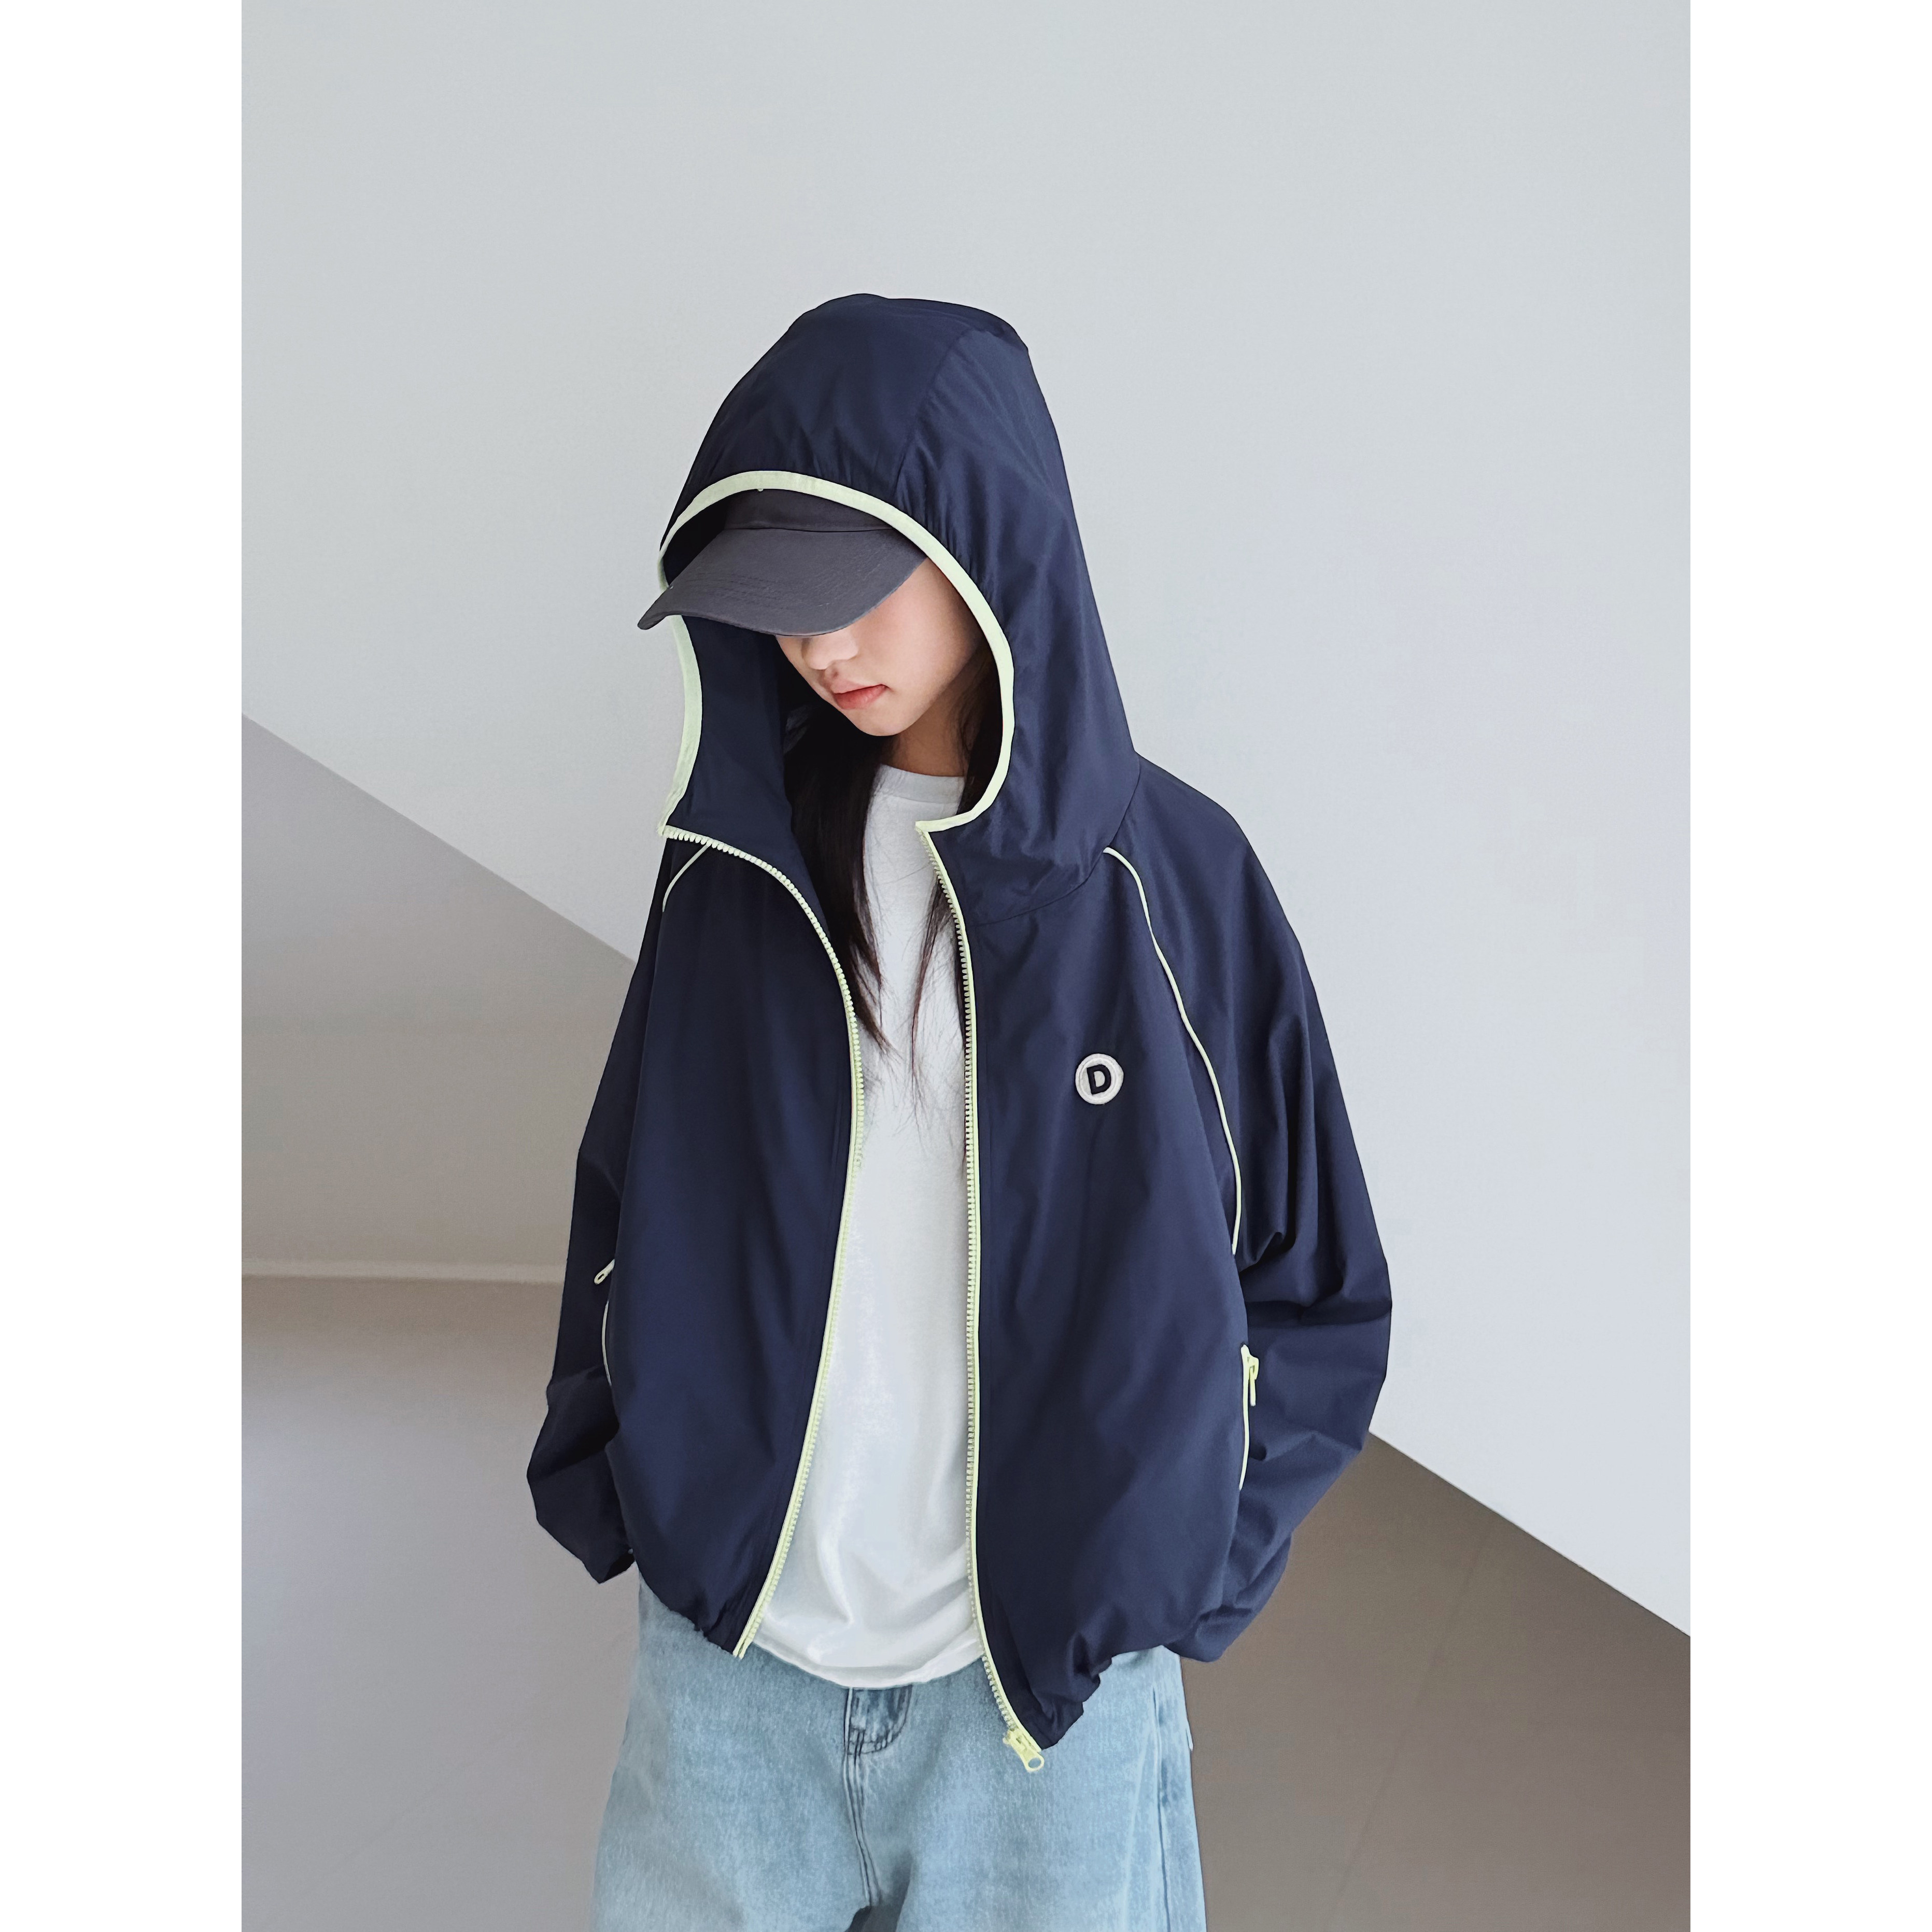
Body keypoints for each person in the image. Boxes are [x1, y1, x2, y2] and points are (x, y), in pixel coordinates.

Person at [528, 294, 1393, 1931]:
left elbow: (1318, 1275)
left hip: (1033, 1708)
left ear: (988, 550)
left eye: (856, 594)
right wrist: (626, 1473)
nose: (819, 648)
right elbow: (628, 1185)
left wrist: (1168, 1563)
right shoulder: (731, 878)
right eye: (779, 607)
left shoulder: (1172, 885)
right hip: (734, 1670)